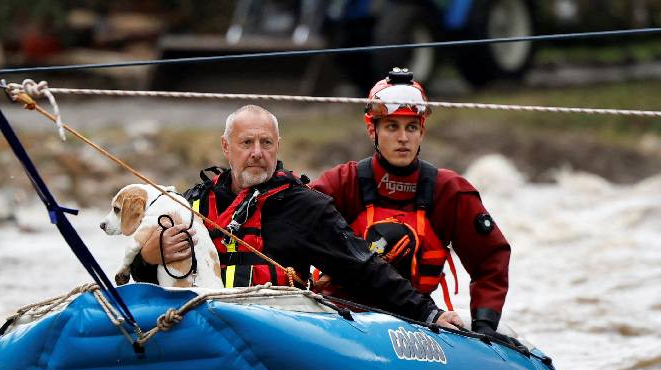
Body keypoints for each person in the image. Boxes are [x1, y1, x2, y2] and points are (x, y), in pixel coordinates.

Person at [124, 104, 464, 329]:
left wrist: (428, 313)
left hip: (275, 330)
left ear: (278, 147)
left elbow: (363, 266)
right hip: (197, 325)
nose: (257, 153)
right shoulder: (190, 204)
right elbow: (144, 280)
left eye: (266, 143)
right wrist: (152, 256)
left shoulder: (307, 208)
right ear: (226, 148)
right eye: (246, 143)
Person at [308, 68, 511, 336]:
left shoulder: (450, 192)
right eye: (392, 126)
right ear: (373, 130)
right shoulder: (342, 183)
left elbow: (490, 259)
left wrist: (485, 328)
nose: (403, 138)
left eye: (411, 127)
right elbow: (295, 229)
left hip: (416, 323)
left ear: (422, 132)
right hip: (341, 320)